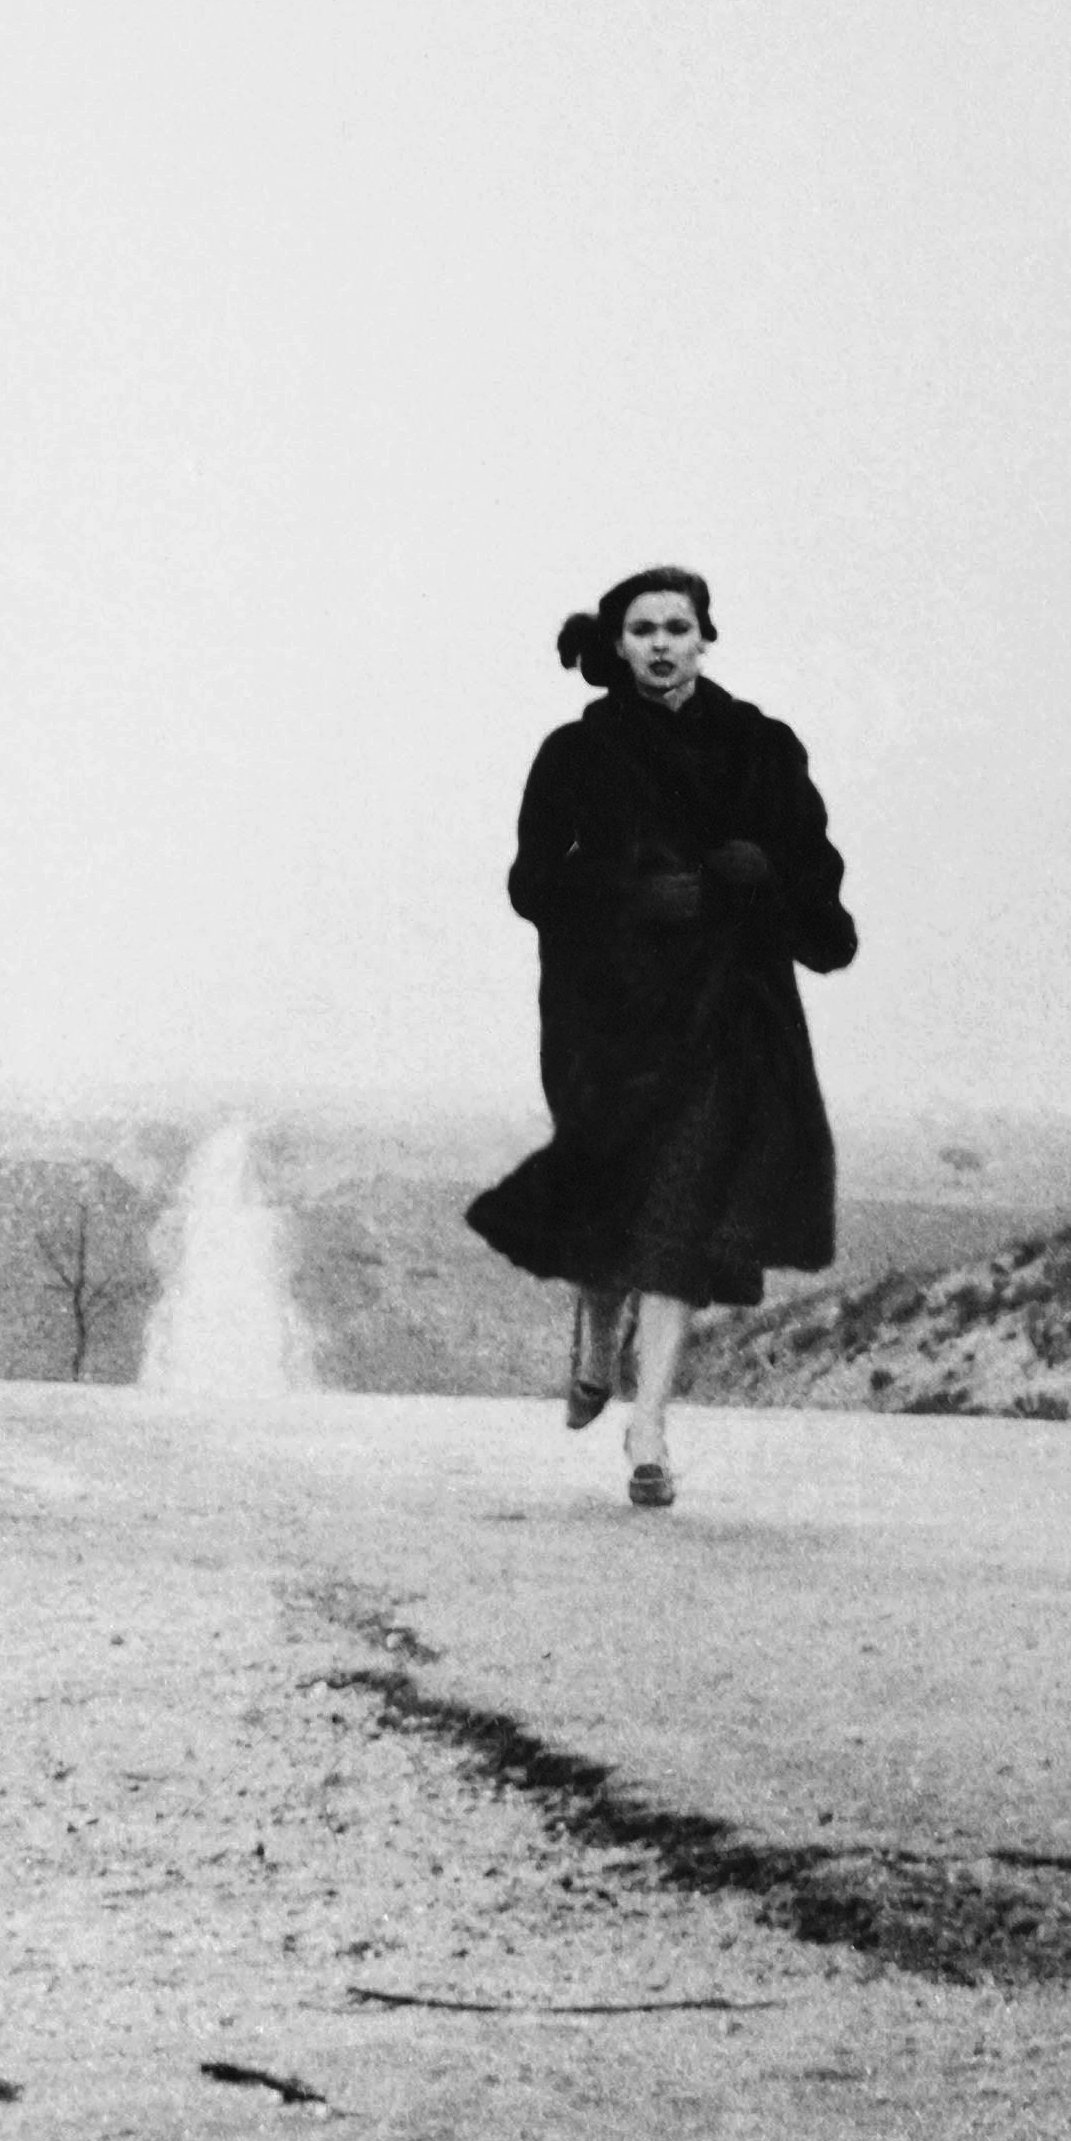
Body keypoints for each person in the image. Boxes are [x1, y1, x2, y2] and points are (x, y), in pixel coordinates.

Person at [466, 566, 858, 1508]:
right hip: (610, 1016)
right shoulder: (575, 754)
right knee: (613, 1196)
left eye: (677, 627)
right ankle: (598, 1341)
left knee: (681, 1214)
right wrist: (626, 895)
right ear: (618, 644)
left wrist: (764, 874)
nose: (660, 645)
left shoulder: (761, 747)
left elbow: (816, 876)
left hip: (727, 1016)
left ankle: (648, 1428)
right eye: (642, 630)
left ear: (703, 638)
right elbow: (529, 883)